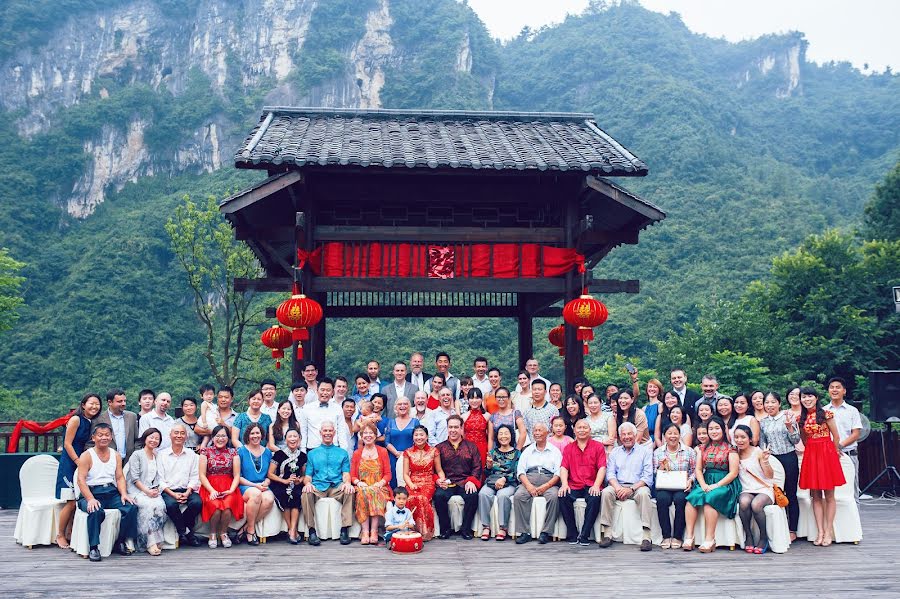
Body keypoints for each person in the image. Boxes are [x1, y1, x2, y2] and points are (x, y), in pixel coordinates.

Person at [76, 423, 137, 561]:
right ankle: (93, 547)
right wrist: (90, 499)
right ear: (93, 437)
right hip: (91, 493)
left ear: (111, 437)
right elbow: (81, 480)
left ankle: (119, 542)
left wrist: (124, 494)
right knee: (96, 510)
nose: (104, 437)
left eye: (107, 435)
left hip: (110, 491)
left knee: (131, 508)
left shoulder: (115, 455)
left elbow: (120, 477)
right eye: (100, 435)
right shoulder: (86, 455)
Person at [684, 417, 741, 552]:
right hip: (706, 480)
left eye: (717, 428)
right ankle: (690, 537)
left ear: (723, 429)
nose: (714, 431)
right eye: (711, 429)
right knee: (691, 499)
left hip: (725, 482)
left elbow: (733, 473)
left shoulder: (731, 449)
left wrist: (716, 485)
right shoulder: (702, 448)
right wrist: (703, 484)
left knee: (710, 499)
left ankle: (710, 539)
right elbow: (698, 469)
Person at [798, 386, 846, 546]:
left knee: (830, 495)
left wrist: (833, 452)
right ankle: (819, 531)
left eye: (809, 396)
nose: (806, 399)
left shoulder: (826, 414)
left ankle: (828, 531)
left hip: (826, 454)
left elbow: (836, 436)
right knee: (816, 496)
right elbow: (804, 439)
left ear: (816, 397)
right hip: (811, 454)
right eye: (803, 397)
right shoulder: (802, 418)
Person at [55, 392, 101, 549]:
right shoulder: (76, 419)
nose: (94, 406)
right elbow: (67, 444)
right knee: (71, 501)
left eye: (97, 404)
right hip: (70, 462)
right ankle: (60, 535)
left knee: (77, 498)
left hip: (81, 461)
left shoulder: (90, 422)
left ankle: (70, 533)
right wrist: (77, 461)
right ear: (83, 405)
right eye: (91, 403)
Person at [598, 422, 654, 550]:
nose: (627, 437)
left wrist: (631, 489)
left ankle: (646, 536)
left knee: (645, 494)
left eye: (629, 434)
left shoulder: (645, 452)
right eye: (623, 434)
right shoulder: (615, 452)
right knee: (606, 492)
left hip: (638, 486)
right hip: (618, 485)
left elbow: (647, 477)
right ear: (619, 437)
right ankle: (607, 534)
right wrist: (617, 488)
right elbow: (610, 473)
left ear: (635, 435)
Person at [302, 421, 355, 546]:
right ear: (320, 433)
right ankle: (312, 531)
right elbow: (308, 476)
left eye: (330, 431)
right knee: (306, 493)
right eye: (325, 431)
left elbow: (346, 473)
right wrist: (308, 484)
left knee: (350, 491)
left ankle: (344, 529)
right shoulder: (312, 453)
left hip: (336, 486)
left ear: (334, 433)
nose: (327, 433)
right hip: (318, 486)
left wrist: (347, 483)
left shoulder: (342, 452)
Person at [559, 419, 608, 546]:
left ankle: (585, 534)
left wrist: (597, 485)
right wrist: (564, 484)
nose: (582, 430)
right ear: (574, 430)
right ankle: (572, 533)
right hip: (574, 484)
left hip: (591, 484)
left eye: (585, 427)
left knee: (595, 497)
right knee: (563, 495)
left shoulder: (598, 446)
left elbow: (602, 467)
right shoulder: (569, 448)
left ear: (590, 430)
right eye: (579, 428)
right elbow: (564, 467)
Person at [434, 415, 483, 539]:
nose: (453, 430)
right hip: (447, 482)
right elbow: (433, 469)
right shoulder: (439, 448)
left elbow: (477, 467)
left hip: (464, 481)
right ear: (447, 428)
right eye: (450, 427)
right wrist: (438, 480)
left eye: (456, 427)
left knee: (473, 495)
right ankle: (445, 530)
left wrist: (472, 481)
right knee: (439, 496)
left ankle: (466, 530)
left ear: (462, 429)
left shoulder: (471, 447)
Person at [759, 391, 800, 538]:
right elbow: (762, 443)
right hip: (772, 461)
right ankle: (778, 528)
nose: (769, 405)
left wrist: (789, 427)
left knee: (791, 493)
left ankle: (792, 529)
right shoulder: (763, 422)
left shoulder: (788, 417)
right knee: (776, 493)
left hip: (788, 457)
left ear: (779, 403)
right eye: (767, 402)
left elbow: (796, 440)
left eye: (773, 402)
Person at [513, 422, 561, 544]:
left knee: (554, 496)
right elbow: (521, 471)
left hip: (549, 480)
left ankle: (546, 532)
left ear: (547, 433)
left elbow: (558, 473)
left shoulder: (555, 451)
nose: (537, 433)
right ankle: (525, 532)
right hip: (530, 478)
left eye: (540, 430)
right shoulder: (527, 450)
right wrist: (528, 486)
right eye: (535, 431)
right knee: (519, 496)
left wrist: (547, 485)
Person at [157, 424, 203, 548]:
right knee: (171, 504)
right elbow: (159, 479)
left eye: (182, 433)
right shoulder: (161, 455)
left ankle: (183, 529)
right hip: (168, 490)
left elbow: (194, 476)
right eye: (176, 433)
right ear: (170, 435)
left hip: (187, 489)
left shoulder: (192, 455)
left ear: (186, 436)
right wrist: (173, 494)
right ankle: (186, 532)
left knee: (197, 503)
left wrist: (187, 492)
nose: (179, 436)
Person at [653, 421, 696, 549]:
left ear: (680, 435)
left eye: (675, 433)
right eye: (669, 433)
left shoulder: (689, 451)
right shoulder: (658, 452)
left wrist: (691, 480)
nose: (672, 436)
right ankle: (666, 536)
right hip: (665, 485)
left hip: (683, 485)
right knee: (662, 499)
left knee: (680, 499)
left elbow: (694, 470)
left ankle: (677, 536)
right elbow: (655, 472)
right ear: (664, 436)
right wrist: (660, 467)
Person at [199, 425, 243, 548]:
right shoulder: (205, 452)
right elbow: (202, 475)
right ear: (213, 438)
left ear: (228, 438)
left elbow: (237, 475)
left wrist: (231, 490)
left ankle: (223, 533)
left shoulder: (233, 452)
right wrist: (212, 490)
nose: (220, 438)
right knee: (216, 506)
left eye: (223, 436)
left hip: (228, 485)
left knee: (228, 505)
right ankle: (212, 533)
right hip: (209, 485)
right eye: (217, 436)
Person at [127, 428, 169, 555]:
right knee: (149, 507)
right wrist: (147, 491)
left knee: (160, 506)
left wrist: (155, 489)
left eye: (157, 438)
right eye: (151, 437)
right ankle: (150, 542)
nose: (154, 440)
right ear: (145, 438)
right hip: (137, 490)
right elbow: (134, 478)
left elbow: (158, 476)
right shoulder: (137, 454)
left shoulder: (157, 455)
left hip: (152, 490)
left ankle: (157, 539)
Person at [734, 425, 775, 554]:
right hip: (746, 489)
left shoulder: (758, 452)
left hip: (763, 489)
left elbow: (769, 475)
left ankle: (763, 538)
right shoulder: (734, 454)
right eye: (736, 437)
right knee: (744, 502)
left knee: (756, 504)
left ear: (750, 439)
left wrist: (765, 460)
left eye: (743, 437)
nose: (739, 440)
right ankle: (749, 536)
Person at [352, 423, 393, 545]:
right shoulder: (357, 453)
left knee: (373, 491)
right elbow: (353, 475)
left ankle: (374, 531)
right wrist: (358, 483)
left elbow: (388, 474)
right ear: (361, 436)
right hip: (362, 486)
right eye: (365, 433)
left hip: (379, 486)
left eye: (371, 433)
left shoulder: (383, 451)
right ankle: (365, 531)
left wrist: (380, 483)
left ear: (375, 436)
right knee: (364, 492)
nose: (368, 436)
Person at [478, 424, 520, 541]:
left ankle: (503, 528)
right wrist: (489, 466)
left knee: (502, 496)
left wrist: (504, 479)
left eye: (506, 433)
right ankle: (486, 526)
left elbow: (517, 473)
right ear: (497, 437)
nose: (503, 436)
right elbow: (487, 472)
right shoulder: (493, 452)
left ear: (511, 436)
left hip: (510, 483)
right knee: (483, 494)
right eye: (500, 434)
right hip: (492, 482)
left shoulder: (517, 453)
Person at [823, 377, 863, 500]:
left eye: (838, 387)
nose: (834, 390)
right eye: (832, 387)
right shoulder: (822, 411)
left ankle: (854, 518)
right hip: (827, 455)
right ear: (828, 391)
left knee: (852, 490)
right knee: (830, 492)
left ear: (844, 391)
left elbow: (856, 433)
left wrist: (838, 446)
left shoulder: (852, 411)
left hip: (848, 454)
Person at [267, 429, 307, 544]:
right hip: (280, 483)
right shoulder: (279, 454)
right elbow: (270, 474)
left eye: (295, 436)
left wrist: (300, 480)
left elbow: (304, 475)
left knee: (296, 495)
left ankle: (292, 530)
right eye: (290, 436)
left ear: (299, 439)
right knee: (285, 495)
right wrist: (284, 481)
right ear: (286, 439)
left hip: (296, 484)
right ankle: (292, 530)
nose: (293, 439)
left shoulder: (303, 456)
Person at [237, 423, 274, 545]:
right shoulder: (240, 451)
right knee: (256, 494)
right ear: (247, 435)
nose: (255, 436)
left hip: (262, 485)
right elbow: (238, 477)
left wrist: (266, 482)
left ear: (262, 435)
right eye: (252, 433)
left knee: (269, 499)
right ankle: (251, 531)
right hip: (246, 485)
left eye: (257, 433)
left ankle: (244, 528)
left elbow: (269, 475)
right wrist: (255, 486)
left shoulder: (268, 452)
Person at [403, 425, 439, 541]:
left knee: (422, 498)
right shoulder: (407, 452)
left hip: (428, 482)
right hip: (412, 481)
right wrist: (411, 484)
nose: (419, 437)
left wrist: (441, 480)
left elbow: (439, 470)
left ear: (427, 436)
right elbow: (405, 474)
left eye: (421, 434)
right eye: (416, 435)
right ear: (413, 437)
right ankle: (409, 530)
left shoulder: (434, 451)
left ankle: (424, 532)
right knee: (410, 498)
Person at [91, 388, 139, 463]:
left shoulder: (132, 416)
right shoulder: (98, 419)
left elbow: (137, 440)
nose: (123, 404)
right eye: (119, 401)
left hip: (129, 461)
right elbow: (91, 442)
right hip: (106, 461)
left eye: (124, 401)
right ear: (110, 402)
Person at [384, 396, 419, 488]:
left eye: (405, 404)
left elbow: (419, 440)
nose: (402, 406)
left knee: (408, 482)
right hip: (393, 456)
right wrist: (397, 453)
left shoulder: (415, 422)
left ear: (409, 406)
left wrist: (406, 454)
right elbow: (387, 441)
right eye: (400, 404)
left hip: (411, 457)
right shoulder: (391, 422)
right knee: (394, 481)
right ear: (396, 407)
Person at [301, 378, 344, 453]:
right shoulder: (307, 408)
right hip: (313, 449)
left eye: (328, 390)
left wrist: (344, 451)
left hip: (334, 448)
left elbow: (341, 431)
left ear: (332, 392)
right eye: (322, 390)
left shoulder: (338, 408)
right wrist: (303, 451)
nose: (325, 393)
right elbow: (303, 431)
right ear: (317, 391)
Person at [488, 386, 527, 451]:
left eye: (503, 397)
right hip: (497, 453)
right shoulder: (493, 416)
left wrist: (517, 451)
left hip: (512, 451)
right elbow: (491, 438)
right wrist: (490, 454)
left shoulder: (515, 414)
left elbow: (523, 433)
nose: (501, 399)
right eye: (498, 397)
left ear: (509, 398)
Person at [522, 380, 559, 444]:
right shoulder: (527, 411)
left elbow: (556, 431)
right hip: (532, 447)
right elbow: (525, 431)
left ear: (545, 392)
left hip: (549, 446)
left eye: (539, 389)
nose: (536, 392)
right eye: (534, 389)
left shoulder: (553, 409)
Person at [462, 388, 489, 467]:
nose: (474, 401)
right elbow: (462, 436)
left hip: (483, 448)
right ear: (468, 399)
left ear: (481, 399)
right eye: (472, 398)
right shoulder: (463, 416)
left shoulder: (487, 416)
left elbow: (490, 437)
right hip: (467, 449)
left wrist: (489, 453)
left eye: (477, 398)